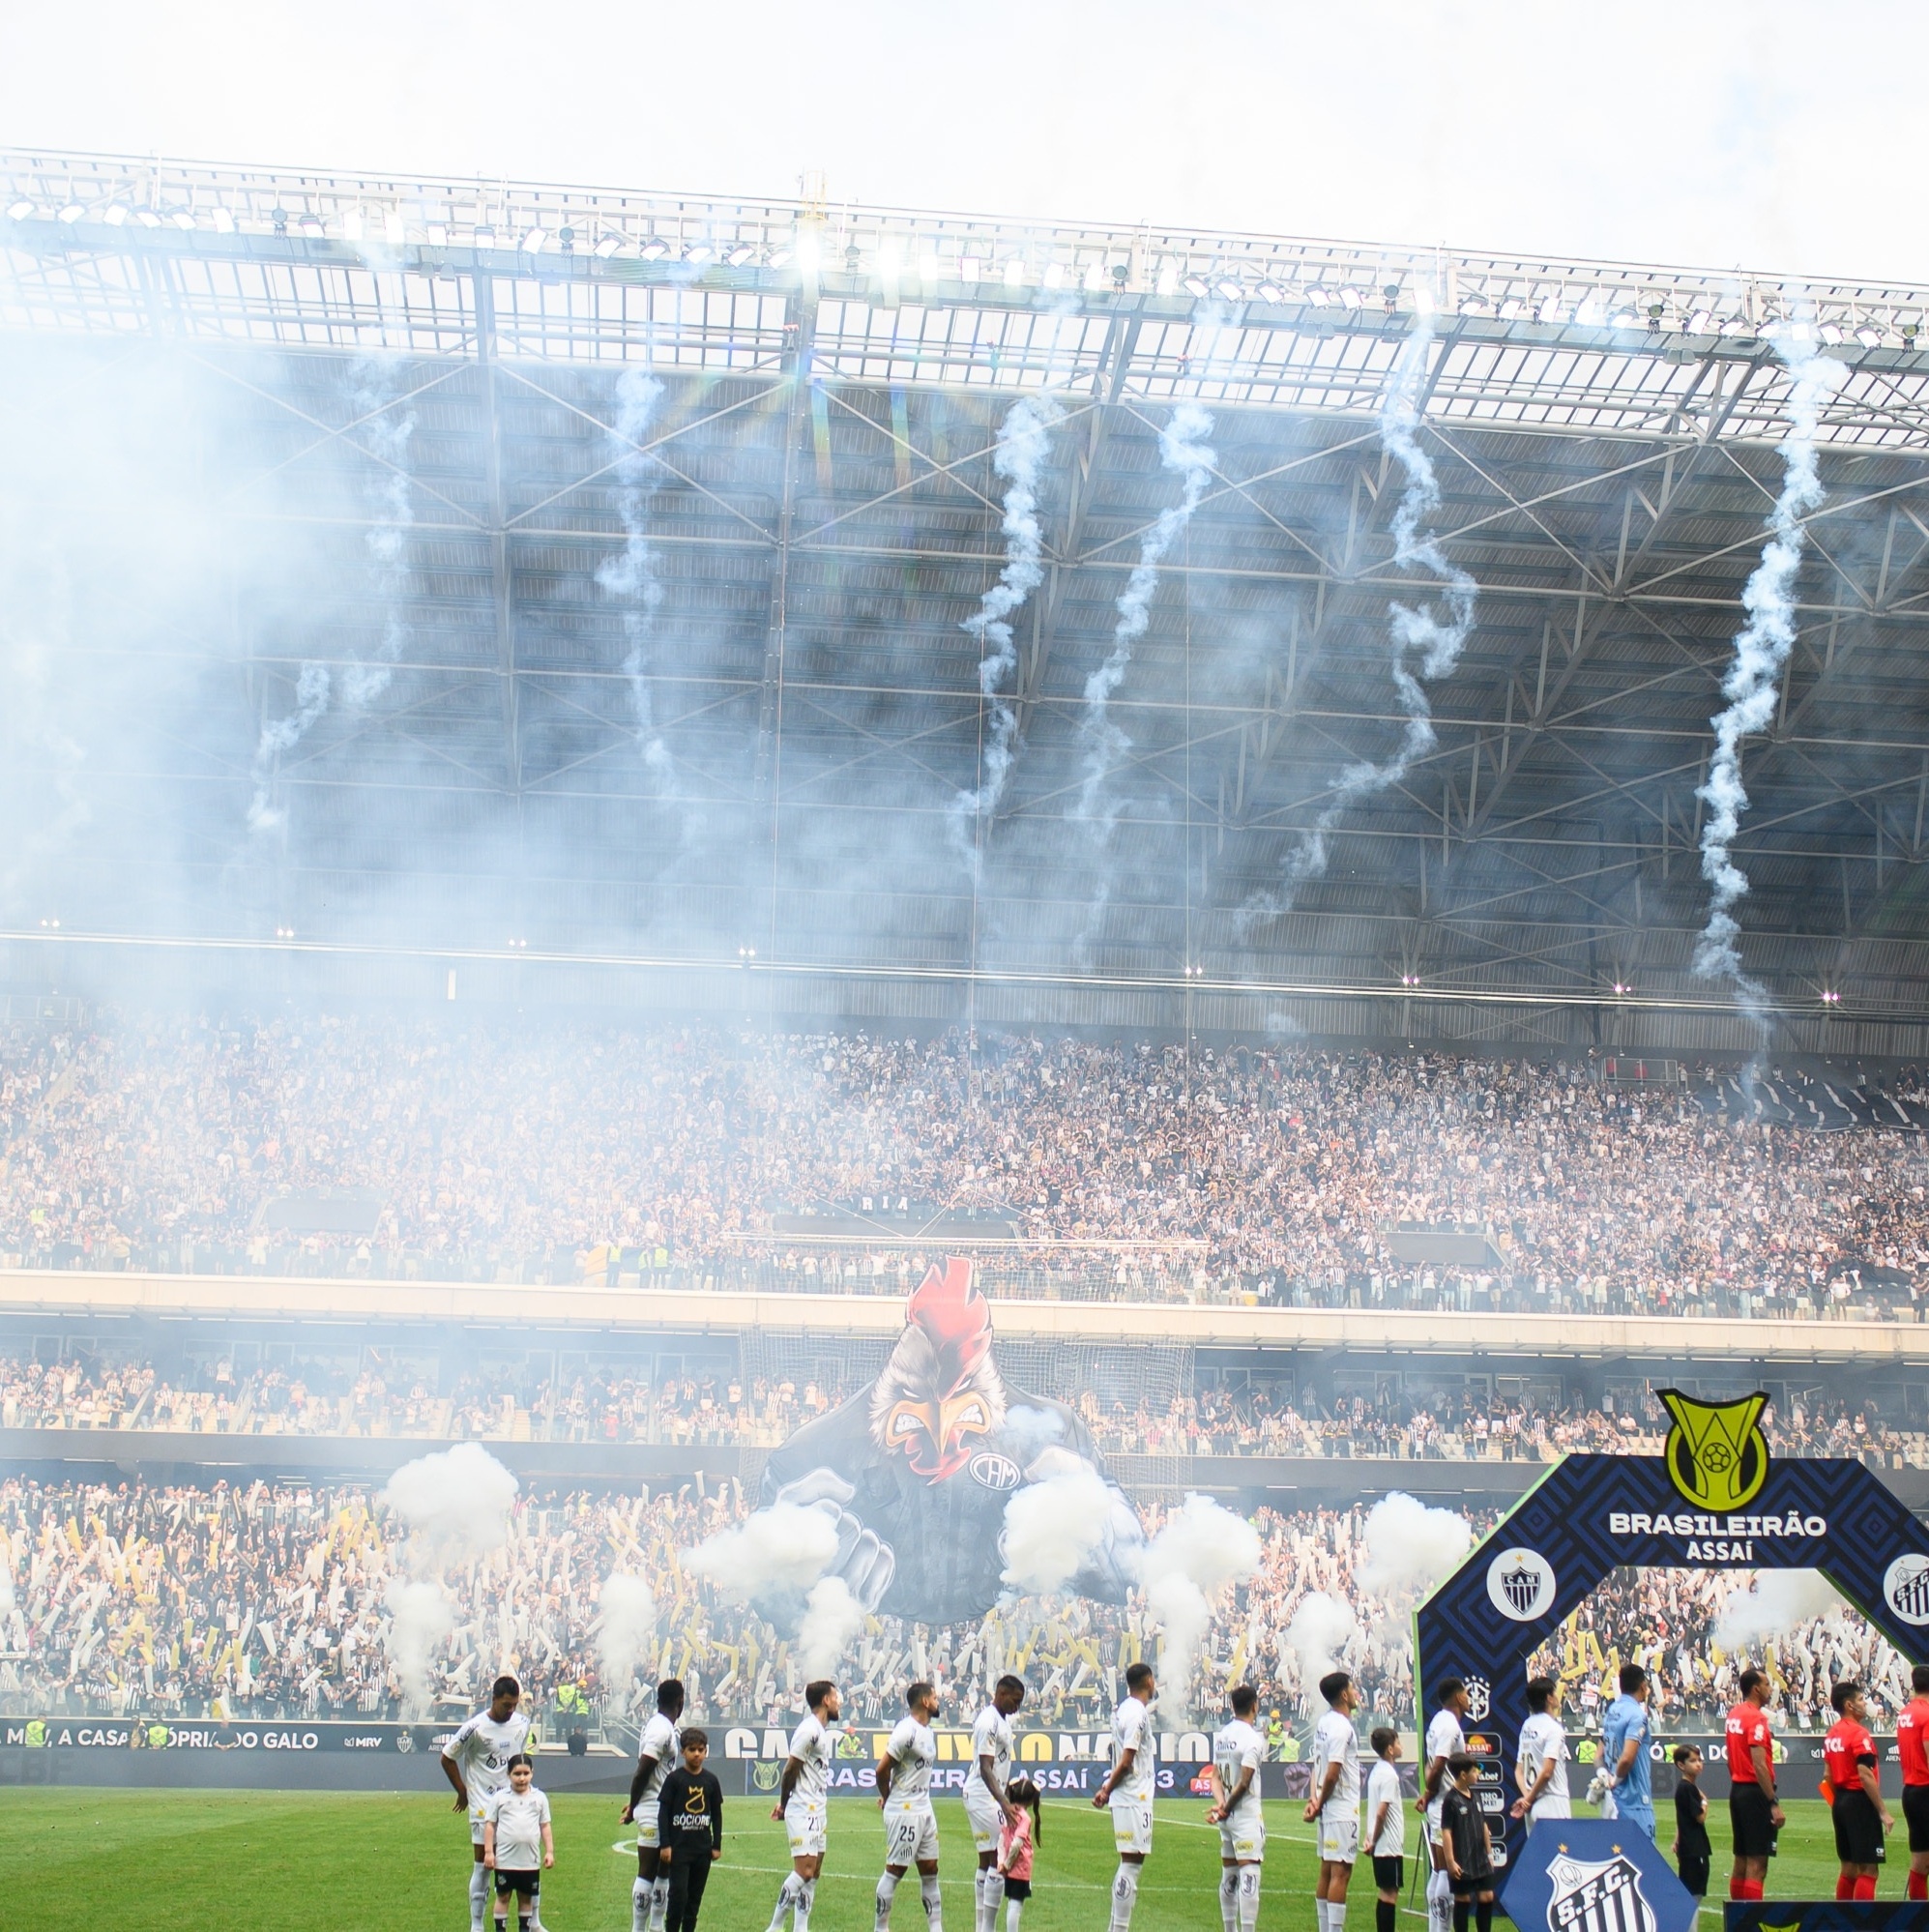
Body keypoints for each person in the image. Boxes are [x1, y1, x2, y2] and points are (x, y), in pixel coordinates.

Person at [444, 1675, 535, 1932]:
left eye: (514, 1704)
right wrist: (462, 1791)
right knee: (483, 1864)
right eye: (506, 1704)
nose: (511, 1710)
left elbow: (518, 1759)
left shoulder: (522, 1724)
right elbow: (447, 1757)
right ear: (493, 1699)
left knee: (523, 1865)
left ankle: (531, 1922)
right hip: (483, 1806)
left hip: (514, 1806)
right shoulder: (475, 1728)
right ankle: (476, 1925)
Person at [766, 1678, 838, 1932]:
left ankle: (801, 1928)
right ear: (826, 1700)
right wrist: (784, 1805)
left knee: (814, 1873)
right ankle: (774, 1927)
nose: (839, 1702)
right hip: (803, 1807)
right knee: (804, 1871)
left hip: (818, 1808)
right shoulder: (809, 1730)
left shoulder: (820, 1730)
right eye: (836, 1697)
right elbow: (790, 1769)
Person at [1093, 1659, 1157, 1932]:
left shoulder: (1124, 1710)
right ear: (1149, 1681)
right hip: (1133, 1797)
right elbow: (1127, 1760)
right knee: (1131, 1864)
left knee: (1130, 1862)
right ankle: (1119, 1928)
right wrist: (1107, 1789)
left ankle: (1116, 1928)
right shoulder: (1137, 1715)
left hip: (1129, 1797)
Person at [875, 1680, 943, 1931]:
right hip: (904, 1809)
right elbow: (881, 1770)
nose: (938, 1702)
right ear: (925, 1701)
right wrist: (888, 1795)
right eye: (935, 1697)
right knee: (895, 1871)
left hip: (924, 1808)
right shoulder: (907, 1731)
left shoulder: (928, 1730)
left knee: (931, 1869)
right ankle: (880, 1928)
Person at [622, 1678, 687, 1932]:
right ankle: (639, 1929)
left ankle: (656, 1927)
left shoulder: (666, 1727)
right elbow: (642, 1771)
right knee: (647, 1871)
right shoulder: (660, 1729)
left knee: (663, 1870)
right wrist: (632, 1806)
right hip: (652, 1808)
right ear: (680, 1702)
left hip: (665, 1808)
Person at [966, 1675, 1026, 1932]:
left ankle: (981, 1927)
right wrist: (1003, 1802)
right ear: (1001, 1693)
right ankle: (986, 1928)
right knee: (1000, 1860)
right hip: (984, 1796)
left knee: (987, 1858)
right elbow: (986, 1767)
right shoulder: (989, 1721)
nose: (1018, 1706)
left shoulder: (999, 1720)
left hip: (982, 1795)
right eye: (1015, 1699)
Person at [1825, 1681, 1893, 1901]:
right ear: (1849, 1705)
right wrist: (1883, 1811)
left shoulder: (1832, 1734)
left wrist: (1839, 1804)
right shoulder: (1859, 1734)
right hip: (1859, 1801)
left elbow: (1827, 1777)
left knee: (1848, 1868)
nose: (1865, 1704)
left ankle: (1841, 1921)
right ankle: (1863, 1922)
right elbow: (1865, 1774)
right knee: (1868, 1869)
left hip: (1841, 1800)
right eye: (1861, 1700)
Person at [1304, 1669, 1361, 1932]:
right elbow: (1333, 1771)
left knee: (1326, 1870)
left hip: (1329, 1809)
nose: (1355, 1693)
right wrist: (1320, 1802)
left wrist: (1315, 1799)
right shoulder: (1341, 1727)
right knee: (1341, 1873)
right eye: (1353, 1688)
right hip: (1340, 1807)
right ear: (1343, 1694)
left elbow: (1319, 1765)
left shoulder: (1324, 1723)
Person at [1207, 1683, 1267, 1932]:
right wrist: (1228, 1807)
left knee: (1229, 1874)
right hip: (1244, 1815)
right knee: (1249, 1873)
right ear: (1255, 1705)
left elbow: (1215, 1777)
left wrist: (1221, 1806)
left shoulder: (1222, 1736)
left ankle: (1229, 1928)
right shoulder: (1253, 1739)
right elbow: (1245, 1781)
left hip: (1227, 1818)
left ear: (1232, 1706)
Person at [657, 1727, 724, 1932]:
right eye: (692, 1749)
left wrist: (716, 1845)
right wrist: (665, 1844)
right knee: (678, 1896)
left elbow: (717, 1814)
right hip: (679, 1850)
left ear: (706, 1751)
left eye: (701, 1749)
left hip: (702, 1850)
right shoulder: (675, 1779)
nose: (697, 1753)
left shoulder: (711, 1780)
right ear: (683, 1751)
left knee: (694, 1900)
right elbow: (663, 1813)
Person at [1726, 1666, 1783, 1901]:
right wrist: (1773, 1802)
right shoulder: (1756, 1718)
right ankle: (1749, 1920)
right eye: (1767, 1684)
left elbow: (1731, 1757)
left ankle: (1736, 1920)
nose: (1771, 1689)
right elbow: (1759, 1765)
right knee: (1757, 1863)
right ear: (1756, 1688)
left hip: (1737, 1790)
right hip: (1755, 1793)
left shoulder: (1734, 1714)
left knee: (1741, 1858)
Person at [1419, 1679, 1471, 1932]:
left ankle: (1436, 1927)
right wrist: (1430, 1792)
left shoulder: (1437, 1722)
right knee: (1447, 1870)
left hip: (1440, 1803)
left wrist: (1429, 1793)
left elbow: (1431, 1764)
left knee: (1440, 1870)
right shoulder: (1450, 1726)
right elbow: (1438, 1763)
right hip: (1446, 1805)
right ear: (1458, 1697)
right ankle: (1440, 1928)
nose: (1468, 1697)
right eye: (1466, 1693)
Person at [482, 1754, 553, 1932]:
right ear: (508, 1775)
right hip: (505, 1859)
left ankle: (524, 1928)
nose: (522, 1778)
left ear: (532, 1773)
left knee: (526, 1897)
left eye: (525, 1773)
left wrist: (549, 1851)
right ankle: (500, 1929)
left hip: (529, 1860)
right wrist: (489, 1852)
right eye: (517, 1774)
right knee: (503, 1897)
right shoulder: (500, 1798)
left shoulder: (539, 1798)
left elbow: (545, 1826)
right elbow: (490, 1825)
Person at [1439, 1755, 1495, 1932]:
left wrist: (1490, 1853)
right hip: (1462, 1860)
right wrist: (1450, 1861)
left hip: (1480, 1859)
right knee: (1463, 1900)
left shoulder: (1476, 1797)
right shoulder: (1451, 1800)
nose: (1478, 1773)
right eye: (1474, 1771)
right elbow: (1446, 1832)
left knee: (1487, 1897)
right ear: (1463, 1775)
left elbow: (1484, 1825)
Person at [1601, 1663, 1654, 1839]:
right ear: (1643, 1686)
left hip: (1613, 1801)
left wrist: (1604, 1777)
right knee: (1645, 1860)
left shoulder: (1611, 1711)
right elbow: (1627, 1759)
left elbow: (1598, 1754)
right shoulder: (1637, 1715)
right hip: (1636, 1800)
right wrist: (1615, 1780)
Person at [1511, 1677, 1570, 1829]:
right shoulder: (1554, 1729)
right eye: (1555, 1693)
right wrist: (1528, 1800)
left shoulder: (1527, 1725)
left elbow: (1519, 1770)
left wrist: (1527, 1798)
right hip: (1554, 1802)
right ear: (1549, 1698)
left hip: (1532, 1806)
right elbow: (1546, 1772)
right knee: (1560, 1851)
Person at [1366, 1726, 1406, 1932]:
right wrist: (1373, 1839)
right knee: (1391, 1894)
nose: (1401, 1747)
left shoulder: (1376, 1771)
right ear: (1390, 1749)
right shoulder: (1390, 1775)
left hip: (1380, 1844)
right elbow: (1381, 1811)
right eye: (1398, 1743)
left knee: (1385, 1892)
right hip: (1388, 1843)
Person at [1897, 1662, 1929, 1900]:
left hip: (1910, 1790)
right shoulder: (1927, 1714)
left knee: (1920, 1861)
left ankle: (1918, 1918)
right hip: (1926, 1790)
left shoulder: (1905, 1713)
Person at [995, 1775, 1041, 1932]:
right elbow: (1017, 1843)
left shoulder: (1009, 1813)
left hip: (1009, 1866)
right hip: (1020, 1867)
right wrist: (1007, 1864)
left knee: (1011, 1904)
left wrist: (1001, 1862)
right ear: (1030, 1800)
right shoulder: (1025, 1818)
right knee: (1016, 1904)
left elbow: (1001, 1839)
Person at [1671, 1746, 1710, 1906]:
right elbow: (1699, 1817)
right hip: (1695, 1848)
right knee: (1694, 1893)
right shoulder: (1688, 1788)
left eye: (1699, 1760)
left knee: (1689, 1890)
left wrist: (1676, 1840)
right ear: (1681, 1765)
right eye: (1693, 1761)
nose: (1698, 1764)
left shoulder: (1684, 1787)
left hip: (1687, 1846)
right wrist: (1705, 1802)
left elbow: (1681, 1817)